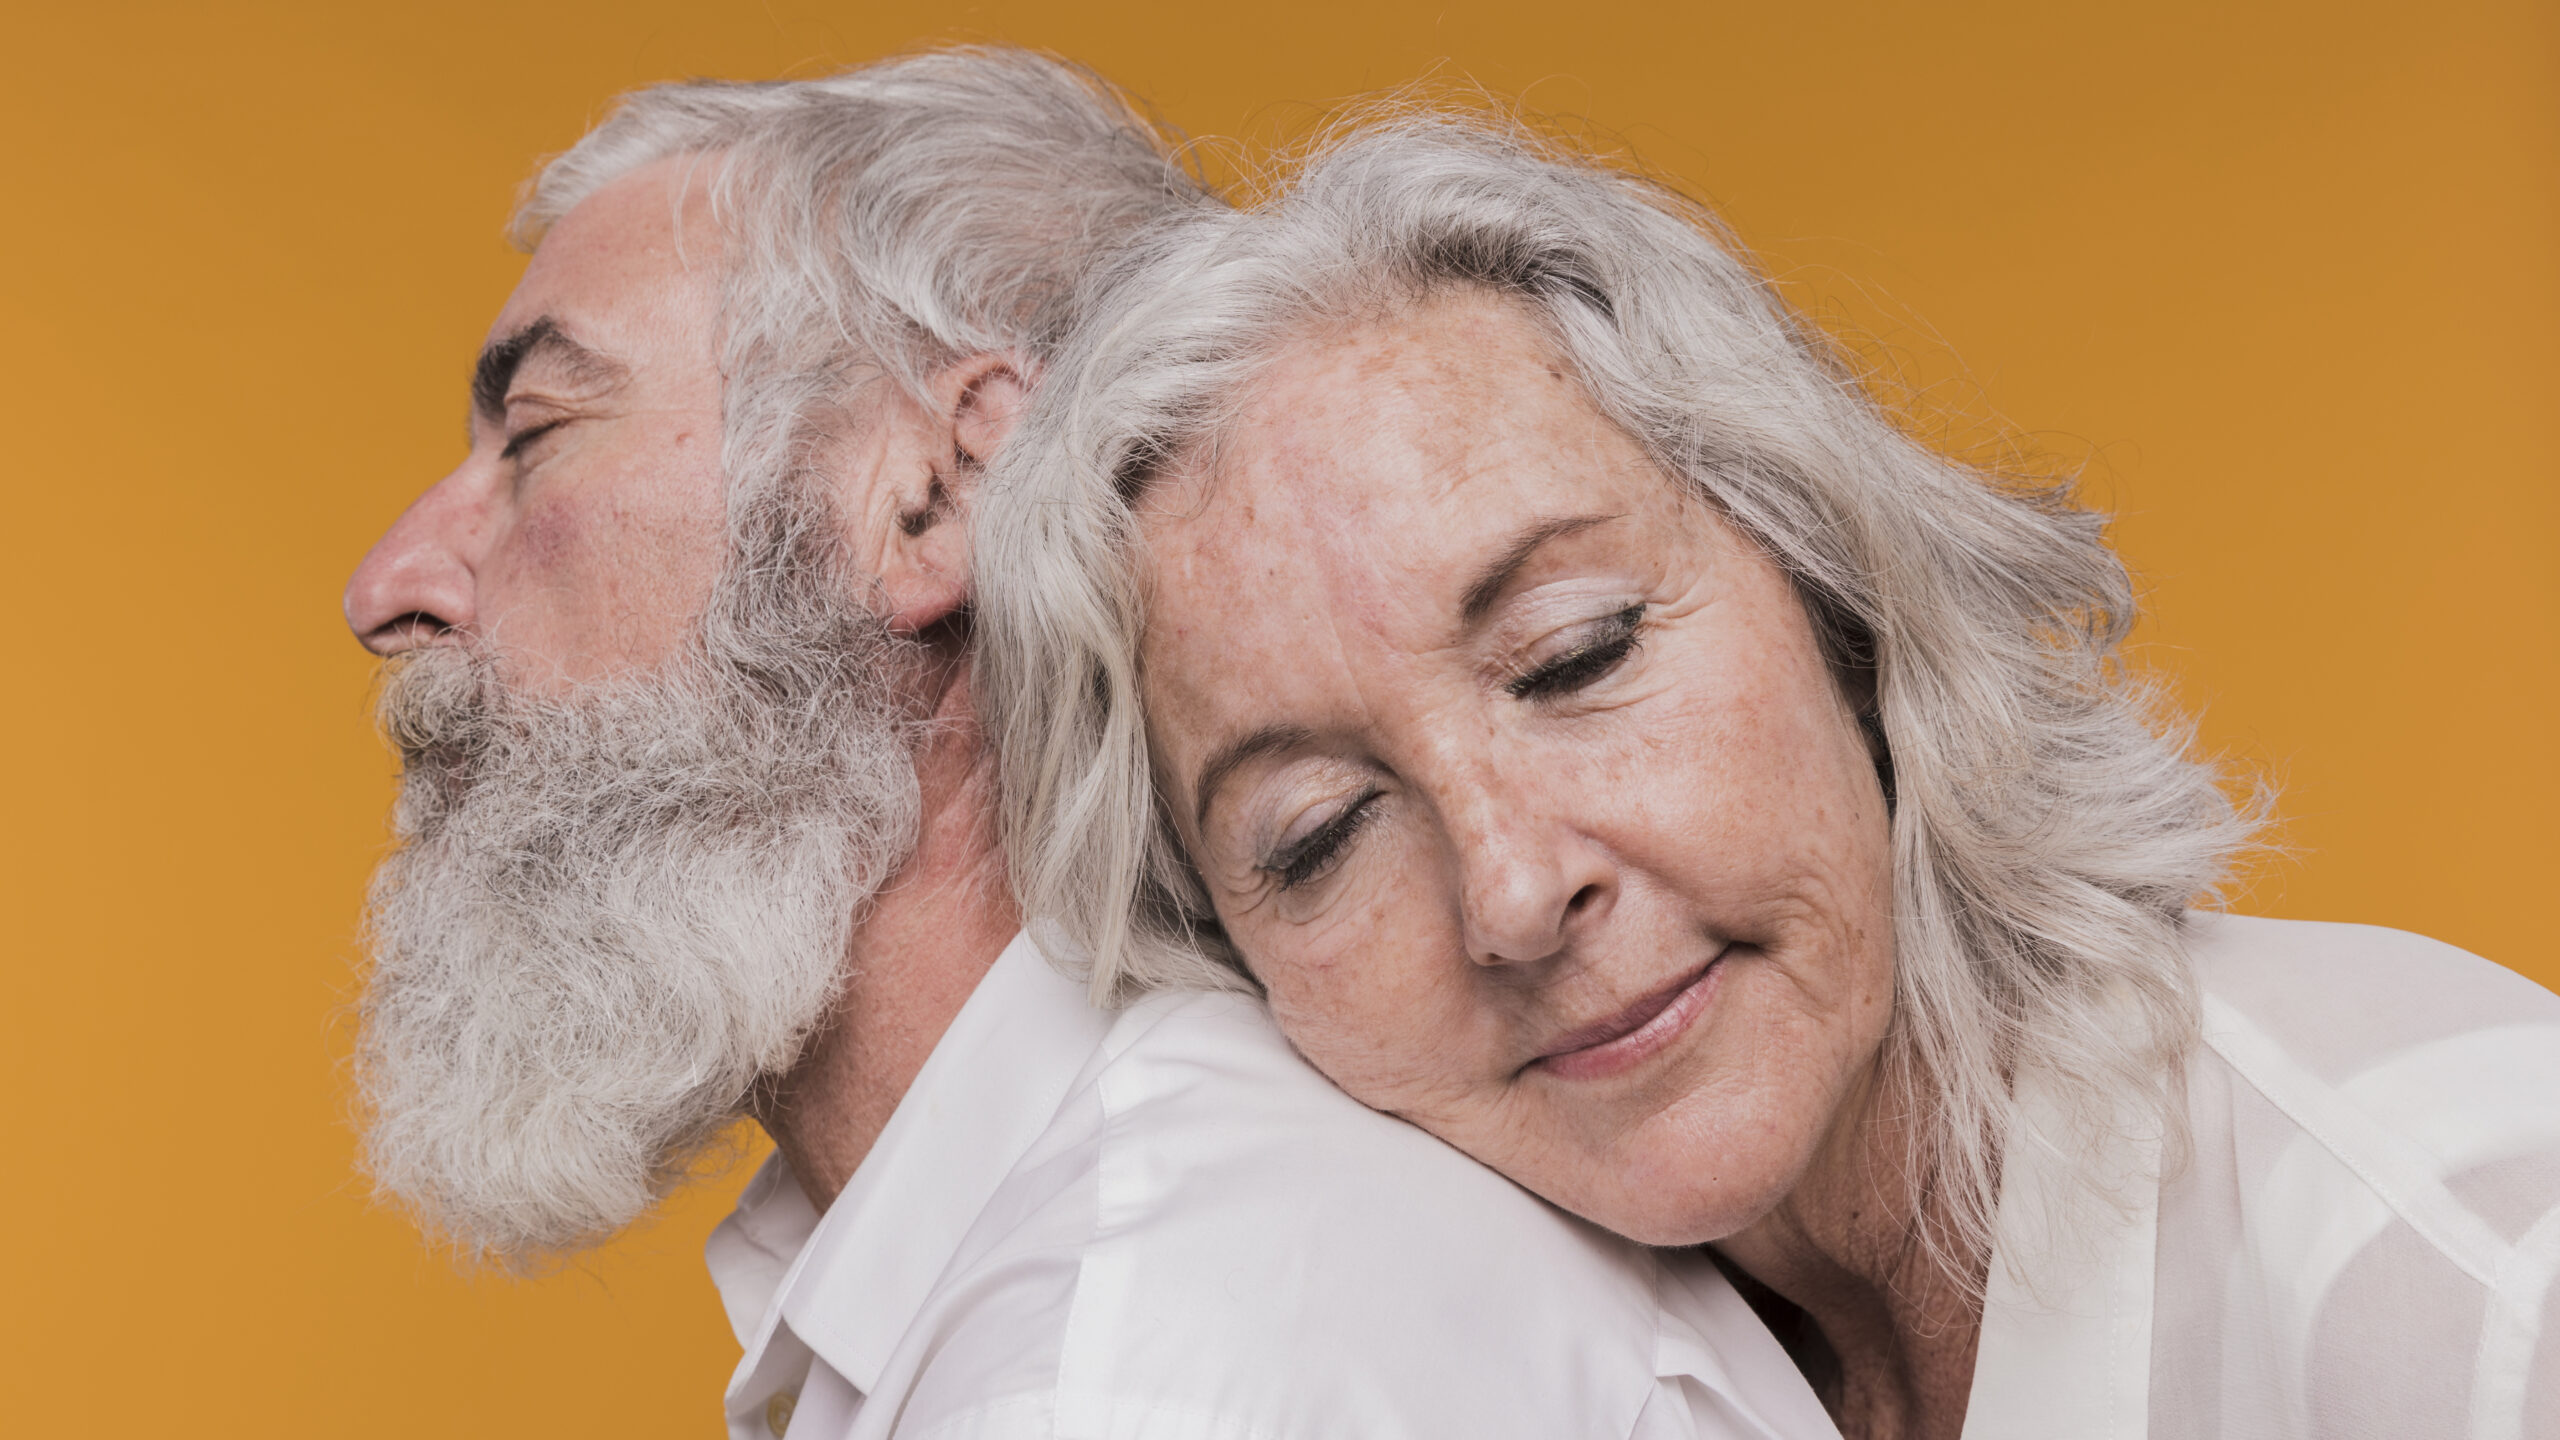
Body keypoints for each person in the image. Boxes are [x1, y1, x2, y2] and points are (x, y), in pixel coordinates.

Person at [977, 107, 2560, 1440]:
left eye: (1578, 654)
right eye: (1318, 836)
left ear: (1838, 593)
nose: (1512, 891)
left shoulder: (2481, 1279)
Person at [342, 49, 1839, 1440]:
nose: (388, 586)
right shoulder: (1086, 1272)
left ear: (939, 489)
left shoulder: (1136, 1355)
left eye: (537, 431)